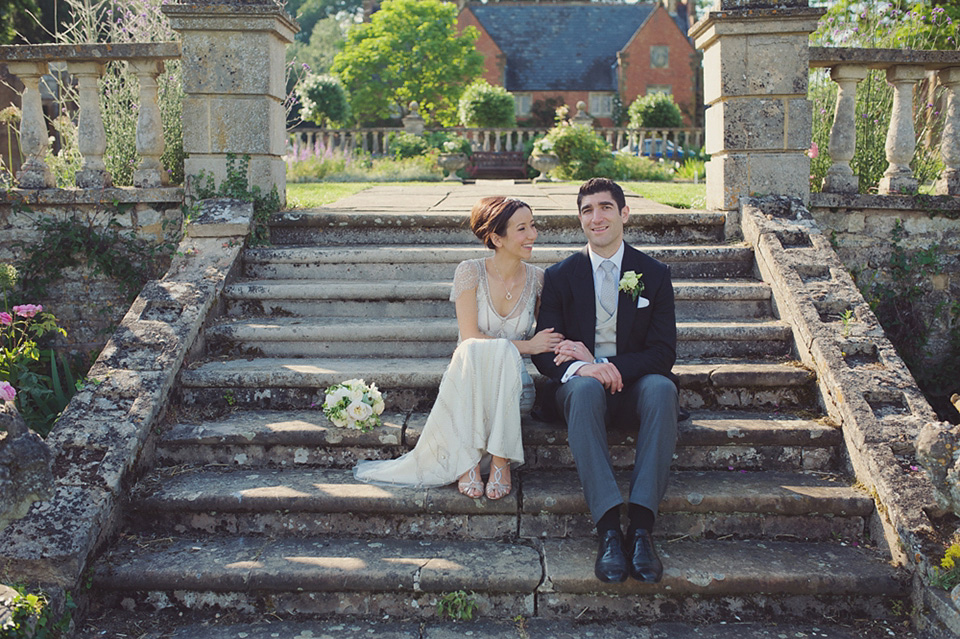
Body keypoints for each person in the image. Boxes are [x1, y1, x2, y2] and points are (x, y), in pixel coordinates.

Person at [354, 196, 563, 500]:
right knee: (475, 349)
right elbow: (469, 337)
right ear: (496, 238)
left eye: (533, 225)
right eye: (522, 228)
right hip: (468, 386)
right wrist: (527, 345)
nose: (533, 235)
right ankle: (468, 462)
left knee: (502, 355)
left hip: (515, 389)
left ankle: (500, 462)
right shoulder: (470, 272)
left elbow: (551, 336)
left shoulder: (539, 280)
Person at [532, 178, 679, 584]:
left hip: (635, 388)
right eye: (586, 210)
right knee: (581, 387)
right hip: (580, 393)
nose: (595, 218)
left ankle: (643, 530)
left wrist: (602, 362)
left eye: (605, 208)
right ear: (580, 219)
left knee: (663, 387)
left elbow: (663, 353)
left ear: (624, 213)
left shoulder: (654, 273)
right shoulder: (561, 276)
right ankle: (610, 529)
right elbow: (547, 352)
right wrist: (586, 369)